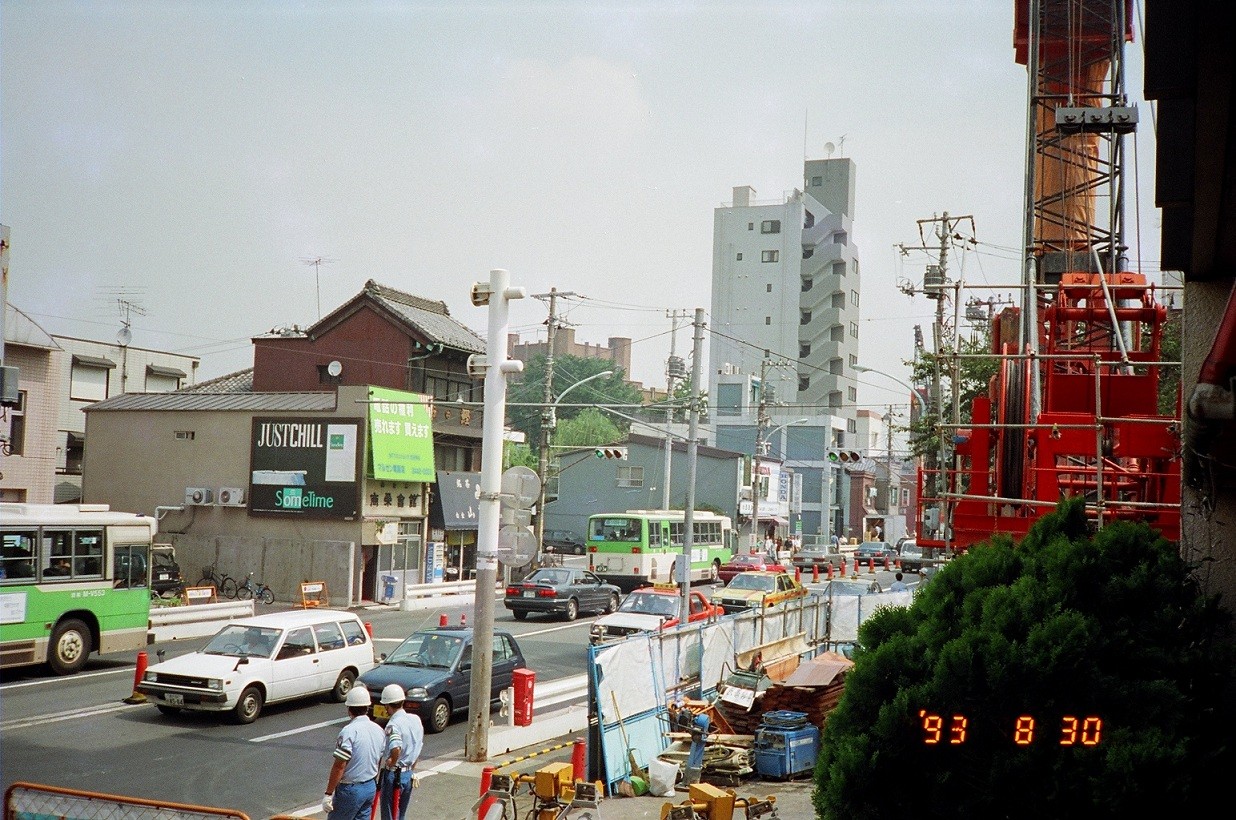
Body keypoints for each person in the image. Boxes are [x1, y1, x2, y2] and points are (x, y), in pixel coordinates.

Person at [323, 687, 386, 820]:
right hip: (370, 786)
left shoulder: (349, 732)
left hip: (351, 790)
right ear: (367, 708)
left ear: (349, 709)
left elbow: (340, 765)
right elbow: (378, 760)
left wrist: (328, 793)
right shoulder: (379, 730)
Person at [379, 684, 424, 820]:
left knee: (390, 814)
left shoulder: (393, 725)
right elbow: (418, 745)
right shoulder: (415, 720)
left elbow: (396, 748)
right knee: (400, 814)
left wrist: (391, 762)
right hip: (408, 774)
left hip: (394, 775)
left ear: (387, 706)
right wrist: (411, 769)